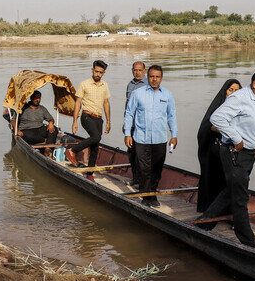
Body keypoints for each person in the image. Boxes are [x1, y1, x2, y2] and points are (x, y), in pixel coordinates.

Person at [198, 69, 255, 249]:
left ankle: (204, 224)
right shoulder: (239, 98)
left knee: (231, 190)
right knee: (240, 198)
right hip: (235, 153)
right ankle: (249, 243)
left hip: (250, 154)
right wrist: (236, 137)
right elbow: (216, 118)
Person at [124, 65, 177, 207]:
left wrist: (174, 135)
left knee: (157, 168)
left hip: (160, 138)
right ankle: (146, 197)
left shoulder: (167, 95)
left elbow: (171, 116)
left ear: (161, 78)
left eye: (157, 77)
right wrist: (128, 134)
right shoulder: (138, 93)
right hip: (141, 137)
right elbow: (129, 113)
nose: (154, 79)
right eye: (152, 76)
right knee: (144, 168)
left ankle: (152, 194)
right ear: (148, 76)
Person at [196, 79, 241, 212]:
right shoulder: (218, 107)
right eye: (230, 90)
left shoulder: (242, 109)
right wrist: (233, 131)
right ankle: (210, 209)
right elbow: (210, 126)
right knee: (214, 179)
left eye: (237, 91)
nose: (233, 94)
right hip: (215, 150)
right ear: (225, 92)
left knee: (231, 182)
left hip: (233, 151)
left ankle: (227, 211)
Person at [65, 60, 111, 182]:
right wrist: (75, 121)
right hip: (86, 116)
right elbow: (78, 103)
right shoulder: (84, 84)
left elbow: (106, 103)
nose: (98, 74)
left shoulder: (104, 85)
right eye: (96, 71)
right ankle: (72, 150)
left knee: (95, 146)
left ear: (103, 73)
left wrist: (108, 121)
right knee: (96, 137)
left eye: (101, 73)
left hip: (99, 119)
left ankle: (89, 173)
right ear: (92, 70)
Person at [11, 91, 59, 156]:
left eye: (39, 98)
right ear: (31, 97)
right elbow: (13, 120)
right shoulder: (22, 108)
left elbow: (50, 119)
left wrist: (51, 123)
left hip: (40, 129)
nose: (37, 100)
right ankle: (45, 140)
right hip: (27, 130)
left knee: (54, 129)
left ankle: (48, 148)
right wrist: (17, 131)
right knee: (25, 136)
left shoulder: (42, 109)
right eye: (35, 98)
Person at [123, 61, 147, 188]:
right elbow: (127, 106)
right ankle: (136, 179)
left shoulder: (149, 85)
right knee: (132, 153)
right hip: (131, 126)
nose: (137, 72)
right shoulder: (130, 85)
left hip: (143, 126)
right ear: (132, 71)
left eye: (140, 70)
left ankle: (144, 182)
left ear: (144, 71)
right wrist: (125, 124)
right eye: (135, 70)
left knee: (142, 155)